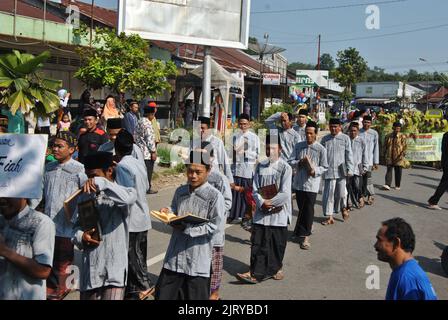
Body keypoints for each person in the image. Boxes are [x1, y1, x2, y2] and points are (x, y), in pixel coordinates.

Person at [155, 150, 225, 300]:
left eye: (198, 172)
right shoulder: (180, 191)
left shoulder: (214, 196)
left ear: (208, 170)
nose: (193, 176)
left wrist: (188, 229)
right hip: (174, 257)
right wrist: (168, 211)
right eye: (190, 171)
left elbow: (214, 225)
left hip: (197, 261)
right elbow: (174, 208)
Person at [72, 152, 137, 300]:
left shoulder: (124, 192)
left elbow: (128, 200)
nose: (91, 180)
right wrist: (82, 236)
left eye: (94, 175)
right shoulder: (84, 195)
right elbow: (75, 227)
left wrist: (103, 184)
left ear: (109, 171)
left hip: (114, 270)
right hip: (90, 268)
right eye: (88, 176)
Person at [30, 131, 87, 300]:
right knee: (48, 256)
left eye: (59, 146)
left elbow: (84, 196)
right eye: (53, 145)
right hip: (48, 221)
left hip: (67, 222)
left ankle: (64, 287)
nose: (55, 149)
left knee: (64, 258)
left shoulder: (79, 170)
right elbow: (39, 194)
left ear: (71, 149)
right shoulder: (48, 168)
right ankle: (53, 287)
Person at [236, 134, 292, 284]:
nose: (270, 151)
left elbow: (285, 193)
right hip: (262, 211)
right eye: (268, 149)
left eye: (273, 148)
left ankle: (276, 268)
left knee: (276, 244)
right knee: (258, 243)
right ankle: (254, 271)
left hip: (278, 213)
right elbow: (254, 189)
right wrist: (261, 202)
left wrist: (270, 202)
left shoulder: (285, 168)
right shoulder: (260, 166)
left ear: (280, 149)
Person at [114, 130, 154, 300]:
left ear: (117, 150)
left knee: (133, 257)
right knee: (139, 255)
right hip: (142, 214)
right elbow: (145, 187)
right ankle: (134, 290)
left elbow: (125, 196)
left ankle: (143, 287)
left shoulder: (123, 166)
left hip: (132, 218)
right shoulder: (138, 163)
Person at [0, 197, 55, 300]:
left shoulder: (42, 223)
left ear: (25, 195)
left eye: (9, 194)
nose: (2, 200)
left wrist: (5, 251)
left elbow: (43, 271)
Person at [197, 142, 232, 300]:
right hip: (197, 232)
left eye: (204, 155)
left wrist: (210, 213)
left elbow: (227, 203)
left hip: (214, 233)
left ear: (211, 157)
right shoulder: (194, 177)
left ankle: (214, 296)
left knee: (214, 269)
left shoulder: (219, 179)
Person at [374, 218, 437, 300]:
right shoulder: (405, 271)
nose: (375, 246)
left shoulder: (406, 277)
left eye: (379, 240)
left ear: (396, 243)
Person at [288, 121, 327, 249]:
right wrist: (299, 162)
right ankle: (302, 229)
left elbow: (325, 167)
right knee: (301, 208)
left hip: (312, 184)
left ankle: (306, 237)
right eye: (307, 133)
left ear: (316, 134)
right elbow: (290, 160)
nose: (308, 136)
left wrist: (314, 171)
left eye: (311, 133)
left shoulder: (321, 149)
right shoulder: (299, 146)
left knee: (309, 209)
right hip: (299, 183)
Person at [320, 118, 354, 225]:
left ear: (340, 127)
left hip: (341, 171)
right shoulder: (325, 139)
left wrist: (350, 169)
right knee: (329, 194)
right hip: (329, 171)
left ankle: (343, 208)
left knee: (342, 193)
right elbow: (321, 155)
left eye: (336, 126)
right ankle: (330, 216)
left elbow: (349, 154)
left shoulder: (345, 138)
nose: (333, 128)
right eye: (331, 126)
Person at [228, 113, 260, 223]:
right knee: (235, 193)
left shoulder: (254, 137)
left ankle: (246, 216)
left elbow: (257, 154)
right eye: (241, 124)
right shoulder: (234, 136)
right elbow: (230, 153)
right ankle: (233, 214)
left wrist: (245, 152)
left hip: (247, 169)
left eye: (245, 124)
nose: (243, 126)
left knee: (246, 194)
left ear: (249, 124)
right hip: (236, 169)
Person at [197, 116, 234, 184]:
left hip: (213, 181)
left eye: (202, 128)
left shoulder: (217, 142)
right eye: (198, 128)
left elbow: (224, 161)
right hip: (198, 180)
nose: (200, 130)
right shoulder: (194, 142)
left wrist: (230, 180)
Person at [135, 105, 158, 194]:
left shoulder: (139, 121)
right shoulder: (147, 123)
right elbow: (150, 139)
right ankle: (147, 188)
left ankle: (140, 187)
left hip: (139, 151)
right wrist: (153, 151)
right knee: (148, 171)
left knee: (140, 171)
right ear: (151, 114)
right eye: (153, 115)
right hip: (147, 152)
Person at [347, 122, 368, 210]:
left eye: (355, 131)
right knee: (348, 185)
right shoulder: (346, 140)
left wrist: (365, 166)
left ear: (358, 131)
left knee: (357, 185)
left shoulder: (361, 141)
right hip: (348, 167)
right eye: (351, 131)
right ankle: (350, 202)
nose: (353, 133)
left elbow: (365, 154)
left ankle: (360, 198)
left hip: (358, 166)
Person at [359, 115, 379, 205]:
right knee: (361, 179)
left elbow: (376, 148)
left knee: (368, 178)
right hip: (359, 161)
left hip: (370, 160)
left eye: (368, 122)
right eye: (365, 122)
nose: (366, 124)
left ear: (371, 123)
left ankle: (370, 195)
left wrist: (376, 162)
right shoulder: (358, 132)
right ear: (362, 122)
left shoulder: (374, 133)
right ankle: (362, 195)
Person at [382, 122, 407, 191]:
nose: (397, 130)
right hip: (389, 155)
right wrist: (383, 154)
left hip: (399, 156)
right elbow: (385, 146)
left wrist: (402, 154)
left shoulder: (402, 136)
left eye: (399, 128)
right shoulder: (388, 136)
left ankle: (397, 185)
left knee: (398, 171)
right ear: (393, 128)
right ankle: (387, 184)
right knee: (389, 170)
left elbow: (405, 147)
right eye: (396, 128)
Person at [427, 131, 448, 210]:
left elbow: (443, 150)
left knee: (444, 182)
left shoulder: (446, 134)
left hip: (445, 161)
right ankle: (433, 201)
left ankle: (433, 200)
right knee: (444, 183)